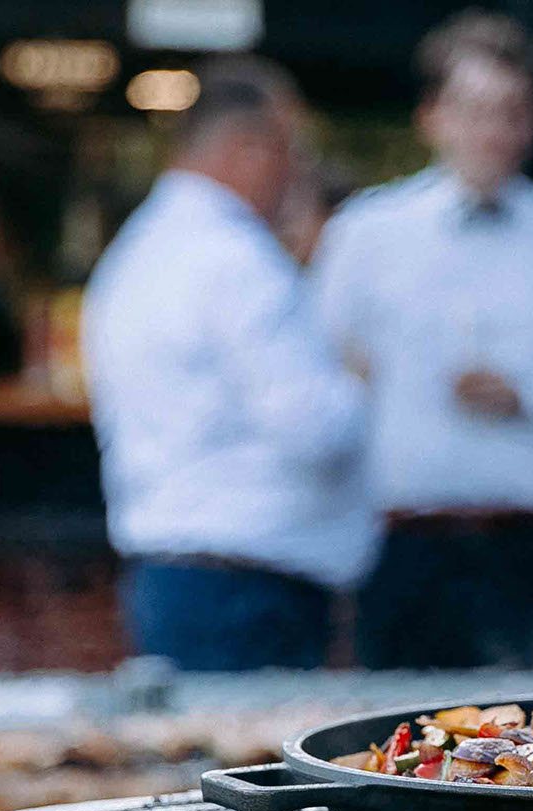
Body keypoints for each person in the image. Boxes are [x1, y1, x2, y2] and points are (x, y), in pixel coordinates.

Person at [313, 10, 533, 669]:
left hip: (528, 553)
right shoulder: (366, 233)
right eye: (474, 110)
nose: (494, 132)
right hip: (402, 552)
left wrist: (528, 398)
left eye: (512, 112)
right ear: (431, 117)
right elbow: (316, 388)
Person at [84, 56, 372, 672]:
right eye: (290, 149)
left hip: (178, 577)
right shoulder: (236, 259)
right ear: (248, 148)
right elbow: (313, 426)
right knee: (257, 768)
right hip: (249, 592)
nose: (297, 170)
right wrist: (356, 381)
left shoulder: (139, 248)